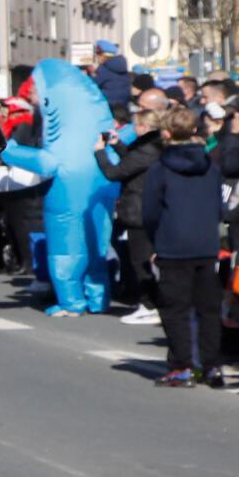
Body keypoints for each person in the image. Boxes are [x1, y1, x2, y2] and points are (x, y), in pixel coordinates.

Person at [141, 105, 224, 388]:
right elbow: (217, 205)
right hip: (206, 242)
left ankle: (182, 366)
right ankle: (211, 366)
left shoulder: (160, 169)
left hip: (173, 242)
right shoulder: (210, 165)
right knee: (208, 309)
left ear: (166, 133)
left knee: (175, 308)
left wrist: (155, 240)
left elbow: (150, 212)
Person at [96, 108, 163, 324]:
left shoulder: (148, 149)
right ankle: (148, 302)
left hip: (139, 210)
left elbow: (115, 172)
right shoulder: (152, 147)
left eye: (137, 125)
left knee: (140, 260)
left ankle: (149, 304)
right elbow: (132, 162)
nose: (134, 129)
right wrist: (117, 145)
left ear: (144, 127)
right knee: (142, 259)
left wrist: (99, 152)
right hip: (144, 208)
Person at [91, 39, 131, 111]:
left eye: (98, 54)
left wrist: (87, 75)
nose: (96, 57)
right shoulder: (122, 66)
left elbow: (91, 85)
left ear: (103, 55)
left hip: (108, 106)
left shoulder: (104, 69)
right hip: (123, 107)